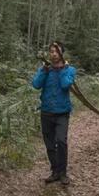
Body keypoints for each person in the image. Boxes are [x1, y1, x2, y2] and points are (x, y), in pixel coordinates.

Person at [32, 42, 76, 185]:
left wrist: (62, 69)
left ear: (62, 54)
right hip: (46, 112)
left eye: (56, 51)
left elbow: (65, 85)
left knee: (61, 141)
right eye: (51, 51)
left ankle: (63, 173)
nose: (53, 54)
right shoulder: (45, 69)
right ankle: (55, 171)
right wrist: (44, 71)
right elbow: (36, 85)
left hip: (62, 112)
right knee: (50, 144)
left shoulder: (70, 70)